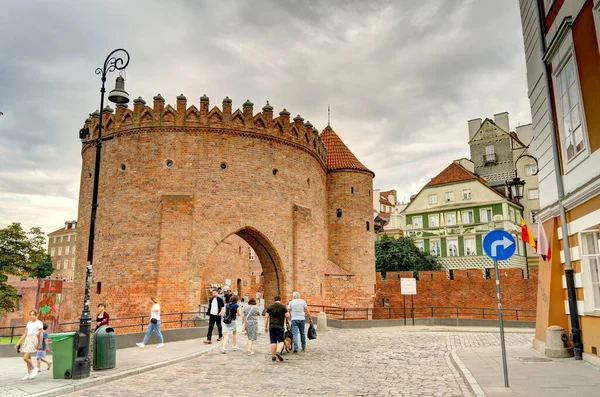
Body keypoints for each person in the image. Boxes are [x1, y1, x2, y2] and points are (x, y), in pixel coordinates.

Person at [14, 309, 44, 380]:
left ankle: (34, 368)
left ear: (36, 315)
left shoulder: (39, 323)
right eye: (30, 315)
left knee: (25, 358)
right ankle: (28, 373)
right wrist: (18, 342)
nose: (31, 316)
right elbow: (25, 333)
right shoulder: (29, 323)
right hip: (27, 339)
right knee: (28, 358)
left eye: (33, 314)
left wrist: (40, 343)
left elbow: (41, 334)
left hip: (34, 339)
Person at [264, 296, 289, 362]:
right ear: (280, 300)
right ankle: (278, 352)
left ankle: (273, 356)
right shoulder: (283, 307)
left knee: (273, 341)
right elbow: (287, 315)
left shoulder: (270, 307)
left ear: (274, 300)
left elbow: (266, 317)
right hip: (280, 326)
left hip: (272, 326)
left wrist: (265, 327)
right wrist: (286, 319)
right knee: (281, 341)